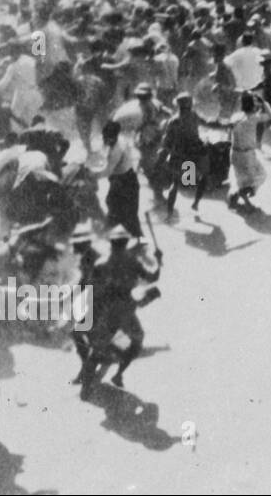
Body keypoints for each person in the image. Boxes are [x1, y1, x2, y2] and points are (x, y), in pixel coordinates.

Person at [76, 225, 162, 399]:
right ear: (125, 242)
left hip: (106, 309)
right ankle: (119, 373)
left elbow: (90, 287)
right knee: (137, 339)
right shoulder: (133, 261)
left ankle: (86, 388)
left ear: (111, 243)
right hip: (125, 309)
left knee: (97, 349)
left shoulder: (102, 263)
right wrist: (158, 261)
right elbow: (153, 278)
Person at [160, 92, 207, 216]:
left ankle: (169, 213)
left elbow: (166, 142)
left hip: (178, 154)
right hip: (193, 153)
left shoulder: (173, 121)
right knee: (202, 177)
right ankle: (196, 203)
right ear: (190, 104)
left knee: (175, 183)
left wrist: (169, 153)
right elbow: (206, 123)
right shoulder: (194, 116)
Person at [228, 91, 271, 212]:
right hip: (247, 154)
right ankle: (245, 197)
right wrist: (264, 102)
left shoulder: (235, 117)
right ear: (253, 105)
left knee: (239, 178)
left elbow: (229, 135)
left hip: (234, 152)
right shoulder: (254, 118)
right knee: (260, 176)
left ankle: (235, 198)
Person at [97, 119, 142, 239]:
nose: (104, 139)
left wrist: (92, 175)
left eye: (107, 137)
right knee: (115, 206)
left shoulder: (117, 149)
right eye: (104, 137)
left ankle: (137, 238)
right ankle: (126, 236)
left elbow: (107, 171)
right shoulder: (119, 139)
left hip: (124, 181)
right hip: (124, 178)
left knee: (127, 212)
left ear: (113, 136)